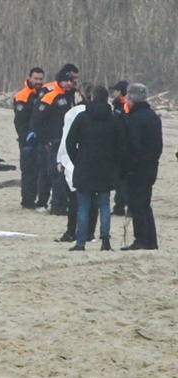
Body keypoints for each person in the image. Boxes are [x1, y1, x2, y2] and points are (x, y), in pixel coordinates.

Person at [65, 85, 126, 251]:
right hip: (106, 168)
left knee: (83, 205)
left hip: (84, 166)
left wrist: (77, 160)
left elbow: (69, 142)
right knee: (104, 205)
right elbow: (121, 146)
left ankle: (80, 242)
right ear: (107, 99)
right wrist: (114, 163)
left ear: (92, 98)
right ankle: (105, 240)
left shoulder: (82, 117)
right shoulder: (114, 119)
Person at [27, 65, 78, 215]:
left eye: (71, 81)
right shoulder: (50, 95)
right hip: (54, 141)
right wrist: (45, 140)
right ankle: (56, 205)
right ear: (60, 81)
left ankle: (64, 203)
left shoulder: (69, 95)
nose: (70, 83)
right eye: (67, 81)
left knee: (66, 172)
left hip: (67, 139)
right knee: (55, 173)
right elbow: (37, 120)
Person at [120, 83, 162, 251]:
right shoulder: (153, 116)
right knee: (145, 203)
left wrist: (127, 167)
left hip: (138, 168)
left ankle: (141, 239)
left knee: (137, 204)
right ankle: (151, 240)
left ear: (132, 99)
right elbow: (158, 145)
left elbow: (133, 146)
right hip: (152, 166)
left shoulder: (135, 118)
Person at [54, 83, 98, 243]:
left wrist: (60, 159)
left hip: (75, 161)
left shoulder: (73, 113)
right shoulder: (105, 113)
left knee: (74, 200)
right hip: (95, 161)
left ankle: (72, 232)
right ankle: (90, 232)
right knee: (93, 199)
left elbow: (66, 139)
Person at [14, 67, 45, 210]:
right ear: (29, 78)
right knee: (28, 170)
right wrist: (26, 140)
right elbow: (20, 122)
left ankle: (39, 199)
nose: (38, 82)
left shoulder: (43, 94)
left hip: (41, 138)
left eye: (40, 79)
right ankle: (27, 201)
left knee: (41, 171)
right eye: (36, 79)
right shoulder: (22, 96)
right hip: (27, 139)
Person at [110, 80, 130, 216]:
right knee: (119, 178)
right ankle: (119, 206)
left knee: (120, 179)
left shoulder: (122, 106)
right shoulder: (119, 105)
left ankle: (127, 205)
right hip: (122, 146)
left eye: (115, 91)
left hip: (122, 147)